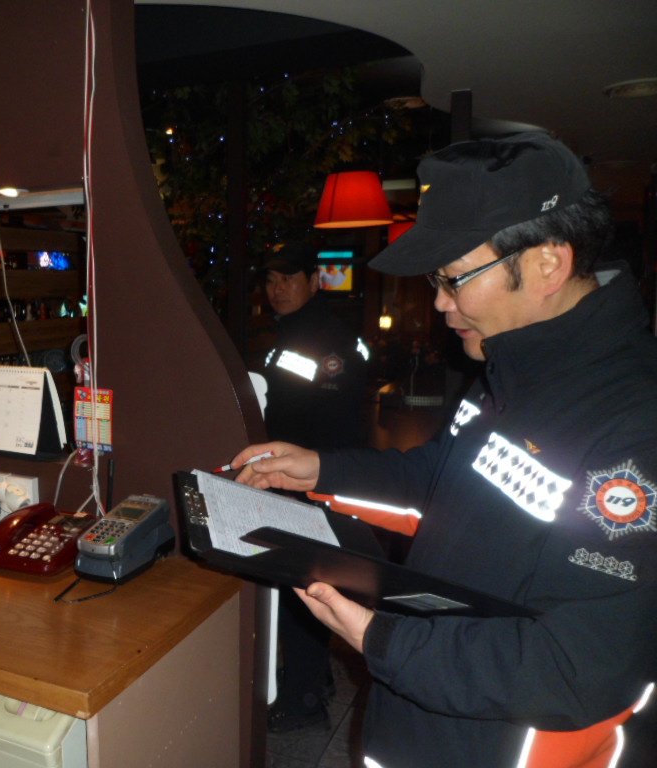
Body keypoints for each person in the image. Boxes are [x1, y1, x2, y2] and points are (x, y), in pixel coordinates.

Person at [233, 132, 657, 767]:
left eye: (454, 278)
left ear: (547, 264)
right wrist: (319, 468)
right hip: (418, 713)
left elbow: (578, 668)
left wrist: (381, 640)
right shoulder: (509, 364)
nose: (439, 302)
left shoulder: (635, 424)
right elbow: (442, 478)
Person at [259, 242, 369, 732]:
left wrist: (303, 483)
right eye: (270, 280)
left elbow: (330, 419)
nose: (277, 288)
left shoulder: (328, 338)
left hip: (313, 483)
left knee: (304, 586)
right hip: (297, 476)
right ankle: (312, 678)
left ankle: (303, 700)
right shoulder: (292, 332)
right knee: (302, 584)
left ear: (313, 281)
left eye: (288, 278)